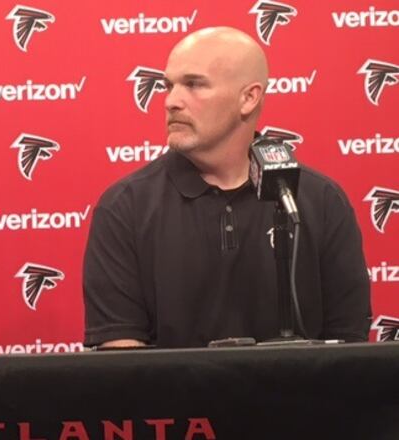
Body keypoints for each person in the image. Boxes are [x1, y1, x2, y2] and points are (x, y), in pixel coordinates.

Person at [83, 27, 371, 349]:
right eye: (168, 86)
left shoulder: (320, 201)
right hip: (171, 400)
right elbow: (122, 359)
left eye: (193, 84)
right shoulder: (124, 207)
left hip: (298, 399)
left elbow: (348, 348)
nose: (170, 101)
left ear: (249, 98)